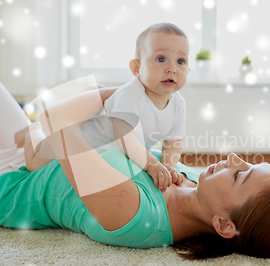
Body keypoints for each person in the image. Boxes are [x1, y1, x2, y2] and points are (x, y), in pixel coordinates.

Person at [0, 33, 270, 260]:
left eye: (240, 173)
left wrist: (128, 91)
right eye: (246, 160)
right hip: (31, 159)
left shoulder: (135, 213)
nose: (231, 158)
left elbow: (51, 126)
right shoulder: (187, 182)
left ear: (225, 226)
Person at [79, 22, 189, 193]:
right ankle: (33, 131)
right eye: (161, 59)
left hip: (116, 158)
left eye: (180, 61)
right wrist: (152, 164)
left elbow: (174, 142)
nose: (171, 69)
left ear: (188, 70)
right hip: (83, 146)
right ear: (137, 68)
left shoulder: (178, 104)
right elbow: (124, 137)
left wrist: (168, 167)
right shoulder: (131, 93)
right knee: (39, 160)